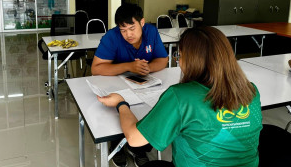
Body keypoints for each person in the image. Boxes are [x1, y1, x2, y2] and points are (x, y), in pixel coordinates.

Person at [98, 27, 263, 167]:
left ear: (192, 60)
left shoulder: (181, 96)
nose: (179, 61)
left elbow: (133, 139)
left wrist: (121, 103)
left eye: (180, 56)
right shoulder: (251, 91)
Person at [92, 3, 169, 167]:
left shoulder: (152, 32)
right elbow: (96, 69)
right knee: (117, 109)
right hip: (114, 84)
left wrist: (148, 68)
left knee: (149, 107)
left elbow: (163, 59)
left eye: (132, 28)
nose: (128, 34)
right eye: (123, 30)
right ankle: (117, 145)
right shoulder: (111, 37)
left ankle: (138, 147)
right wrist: (128, 66)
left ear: (142, 22)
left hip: (142, 85)